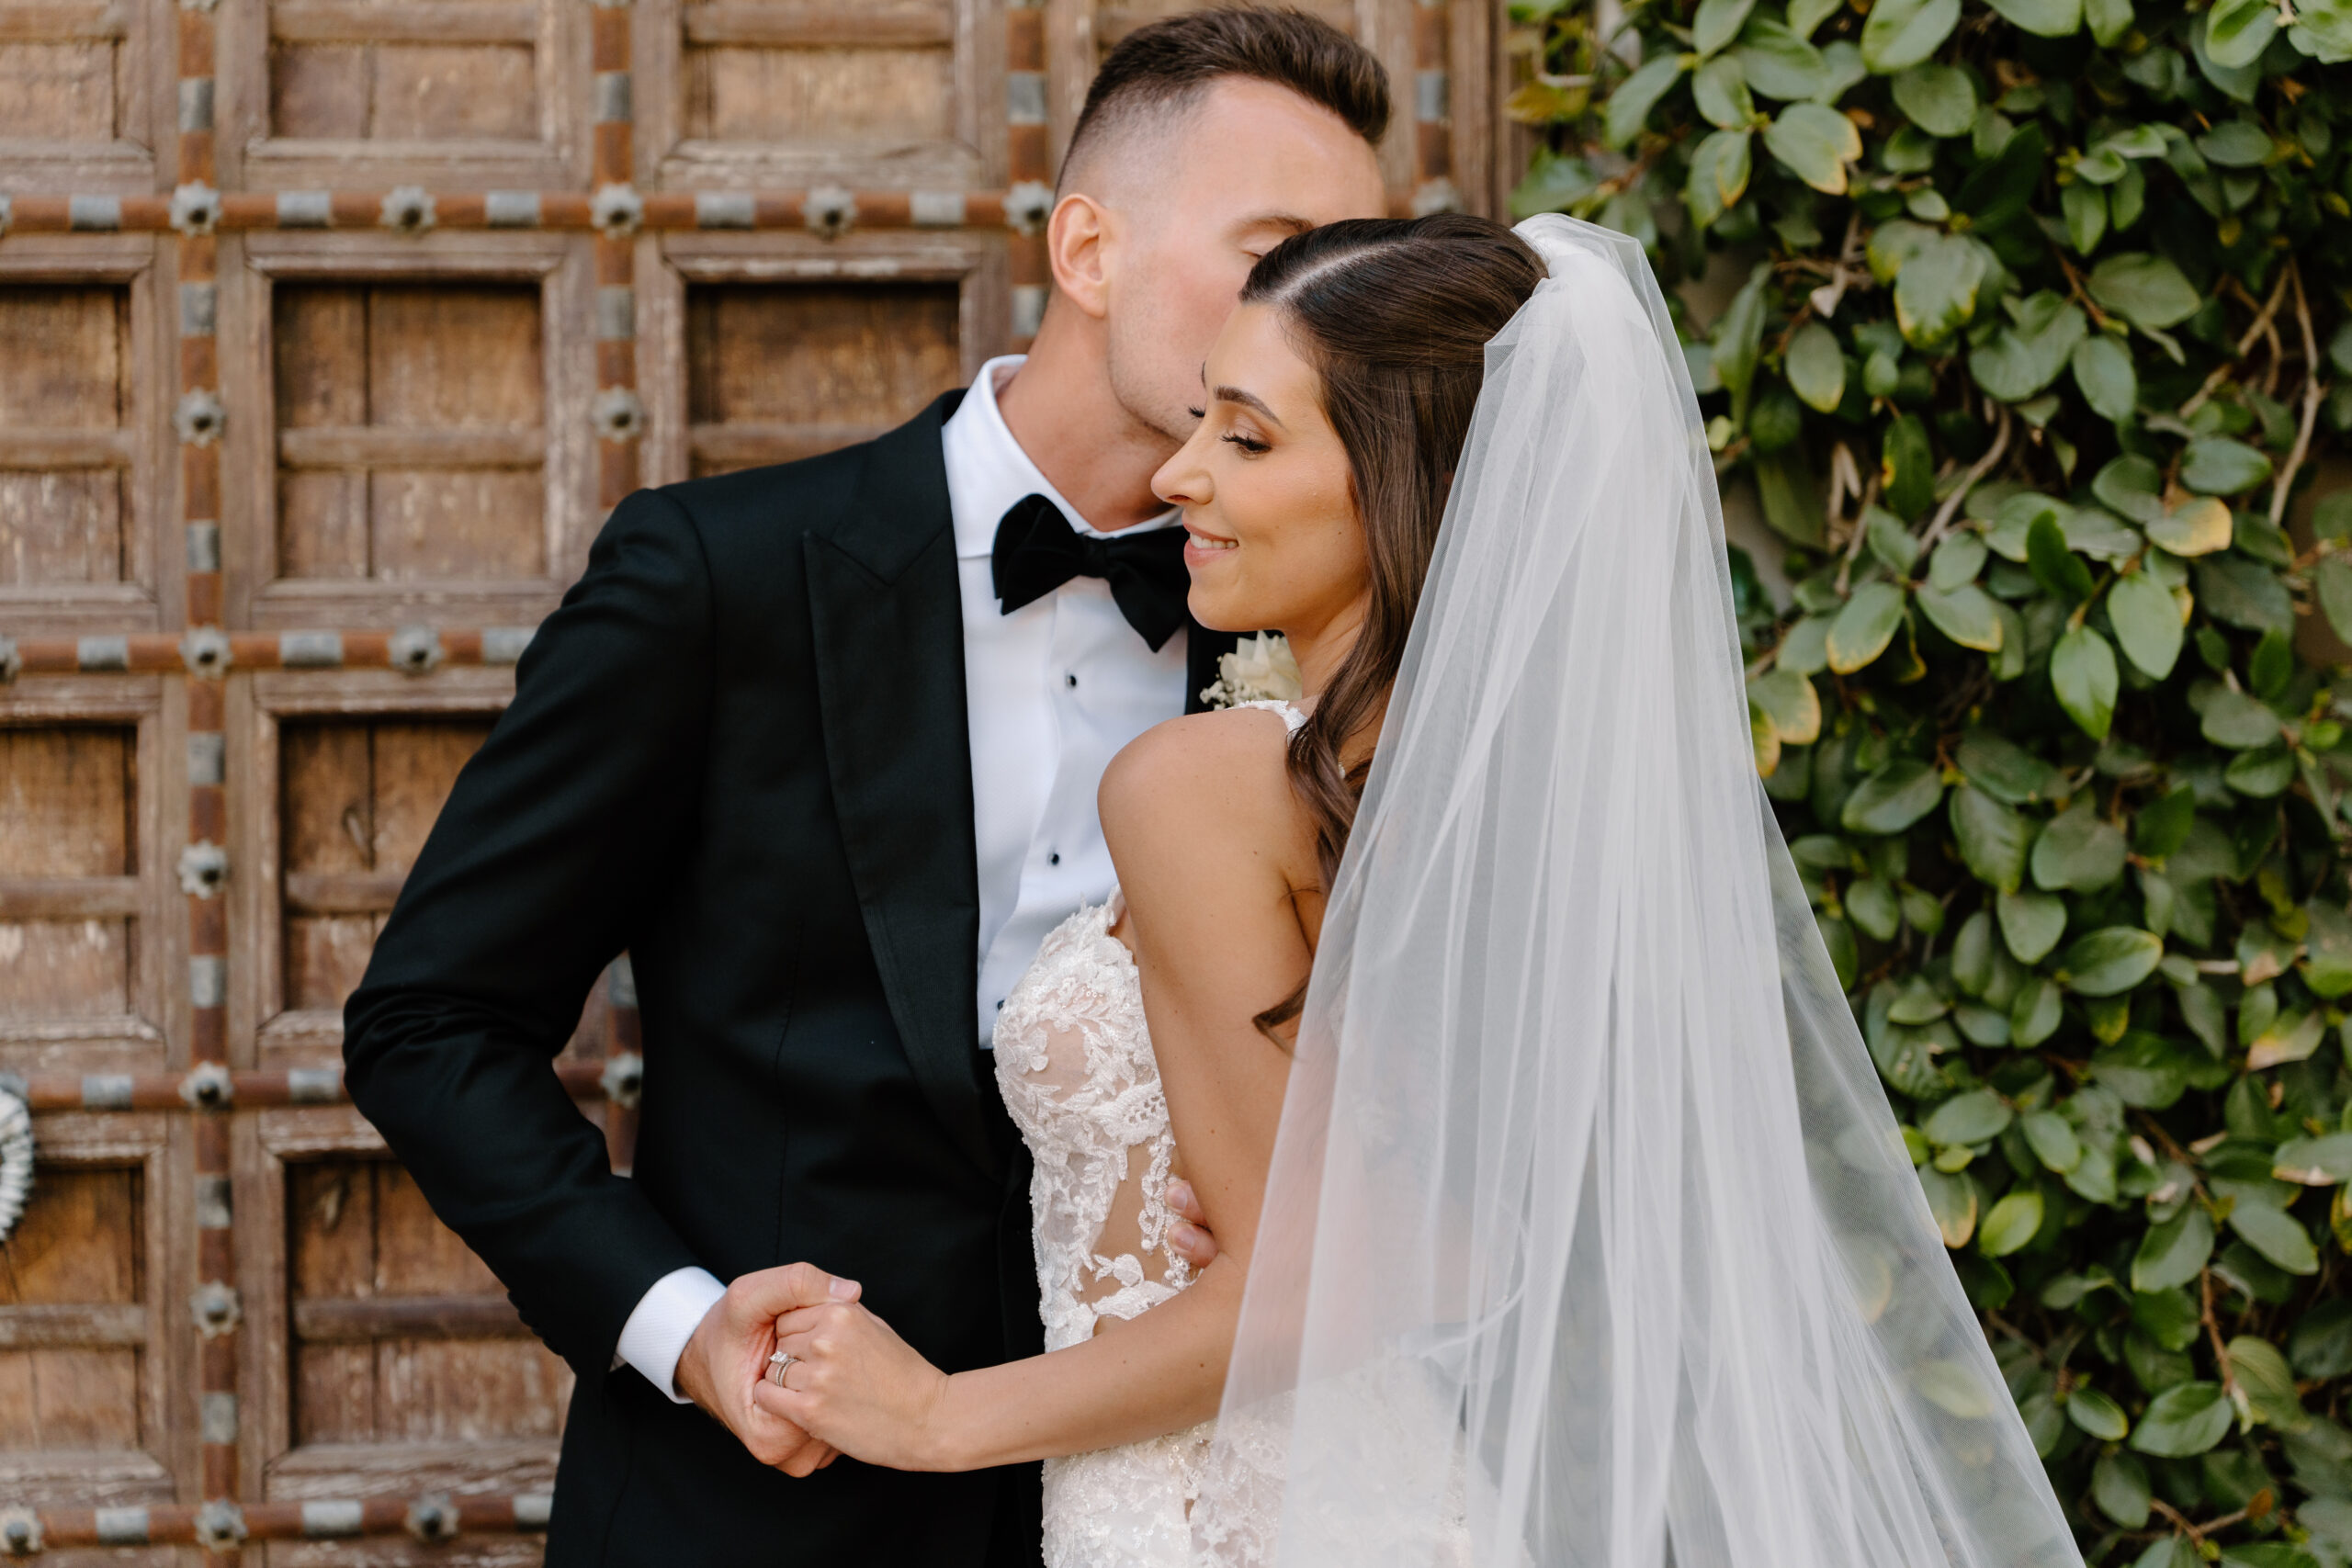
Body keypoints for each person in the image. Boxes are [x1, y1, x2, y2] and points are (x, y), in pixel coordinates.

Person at [742, 213, 2094, 1568]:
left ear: (1411, 481)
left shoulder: (1201, 786)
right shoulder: (1515, 811)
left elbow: (1305, 1294)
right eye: (1202, 418)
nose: (1176, 473)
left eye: (1248, 438)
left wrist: (933, 1416)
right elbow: (1439, 1255)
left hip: (1228, 1518)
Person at [337, 10, 1390, 1565]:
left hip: (1169, 1485)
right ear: (1087, 250)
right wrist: (686, 1331)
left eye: (1348, 268)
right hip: (753, 1501)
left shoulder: (1330, 636)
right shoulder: (718, 575)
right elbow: (431, 1024)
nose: (1313, 313)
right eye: (1276, 252)